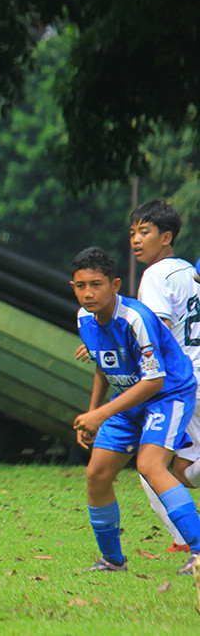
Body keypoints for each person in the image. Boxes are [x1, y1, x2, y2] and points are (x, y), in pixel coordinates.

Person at [70, 246, 200, 576]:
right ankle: (113, 560)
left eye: (96, 284)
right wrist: (92, 412)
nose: (88, 293)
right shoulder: (84, 317)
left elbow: (154, 381)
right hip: (128, 398)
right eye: (81, 285)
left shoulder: (136, 318)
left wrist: (101, 415)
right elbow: (104, 364)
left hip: (167, 394)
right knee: (97, 474)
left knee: (150, 465)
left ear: (115, 285)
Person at [126, 200, 200, 554]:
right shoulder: (190, 271)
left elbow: (160, 335)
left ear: (166, 237)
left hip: (183, 382)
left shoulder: (154, 276)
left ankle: (185, 539)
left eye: (145, 232)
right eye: (133, 233)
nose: (136, 240)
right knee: (182, 467)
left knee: (151, 465)